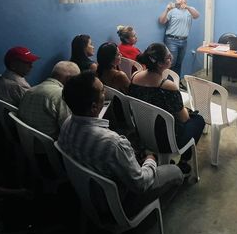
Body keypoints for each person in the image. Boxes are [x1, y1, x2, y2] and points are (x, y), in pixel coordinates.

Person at [58, 71, 183, 215]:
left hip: (88, 194)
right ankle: (152, 215)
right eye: (102, 91)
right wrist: (151, 160)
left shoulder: (66, 125)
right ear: (94, 107)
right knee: (176, 172)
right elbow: (141, 183)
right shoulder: (112, 143)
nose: (105, 93)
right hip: (117, 204)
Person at [128, 43, 205, 175]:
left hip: (142, 133)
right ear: (160, 64)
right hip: (165, 140)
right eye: (169, 57)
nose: (172, 58)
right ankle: (184, 162)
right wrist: (187, 111)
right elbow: (184, 118)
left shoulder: (134, 77)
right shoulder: (168, 86)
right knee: (198, 120)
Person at [18, 61, 80, 140]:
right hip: (50, 145)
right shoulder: (62, 95)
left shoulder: (30, 91)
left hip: (25, 141)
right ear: (69, 79)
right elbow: (69, 131)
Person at [158, 0, 200, 77]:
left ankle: (177, 81)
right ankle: (168, 82)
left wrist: (187, 7)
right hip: (171, 40)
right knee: (171, 63)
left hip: (184, 41)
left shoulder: (190, 10)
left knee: (179, 63)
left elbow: (196, 16)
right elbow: (162, 21)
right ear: (176, 0)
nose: (180, 1)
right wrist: (167, 9)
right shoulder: (172, 10)